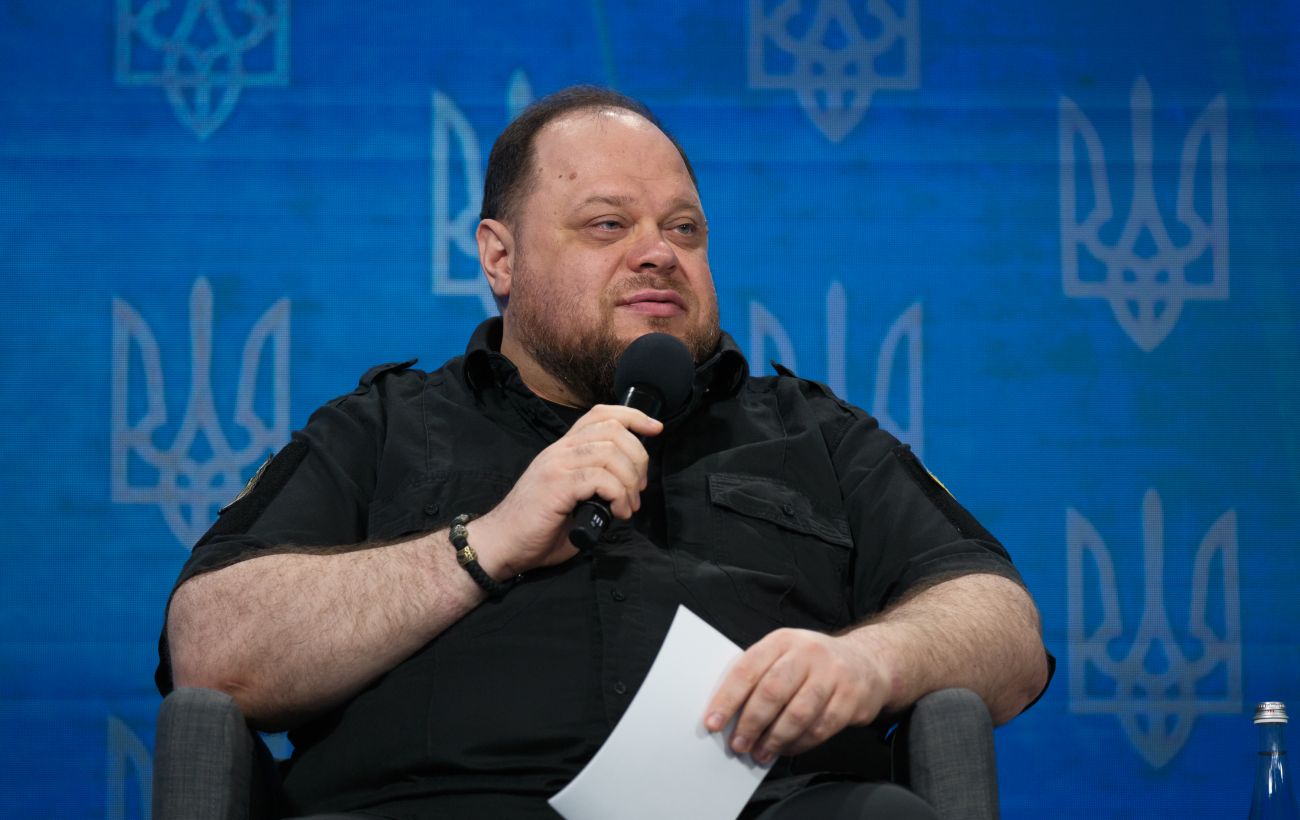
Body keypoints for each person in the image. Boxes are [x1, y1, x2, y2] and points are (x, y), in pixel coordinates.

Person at [158, 86, 1052, 820]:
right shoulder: (384, 428)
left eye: (684, 229)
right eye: (607, 225)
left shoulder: (813, 432)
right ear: (499, 258)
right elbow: (211, 646)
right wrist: (484, 545)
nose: (657, 253)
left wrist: (873, 659)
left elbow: (1004, 627)